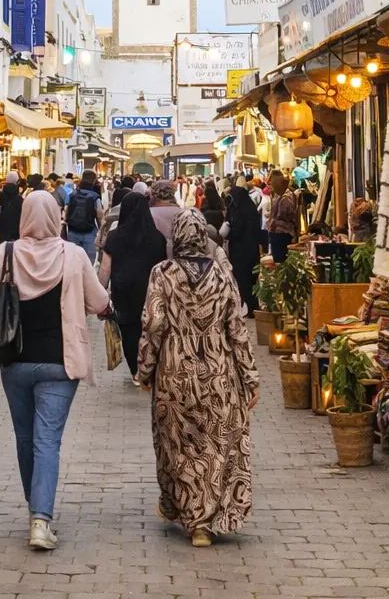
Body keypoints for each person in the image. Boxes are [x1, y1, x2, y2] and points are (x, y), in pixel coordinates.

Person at [0, 192, 111, 551]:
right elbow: (98, 303)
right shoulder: (74, 255)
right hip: (60, 364)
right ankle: (40, 521)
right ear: (56, 217)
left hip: (14, 363)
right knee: (47, 441)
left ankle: (35, 510)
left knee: (24, 439)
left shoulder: (7, 253)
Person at [136, 208, 259, 547]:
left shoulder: (162, 274)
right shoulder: (223, 276)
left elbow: (154, 324)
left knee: (177, 445)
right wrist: (250, 377)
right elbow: (237, 329)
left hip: (175, 371)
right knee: (215, 443)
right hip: (219, 370)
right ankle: (206, 519)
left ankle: (189, 513)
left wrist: (145, 368)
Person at [99, 191, 165, 377]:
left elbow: (105, 268)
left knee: (128, 329)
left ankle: (135, 370)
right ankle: (149, 367)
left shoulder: (114, 236)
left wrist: (100, 291)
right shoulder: (157, 237)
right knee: (149, 328)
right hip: (150, 290)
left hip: (123, 290)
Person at [223, 185, 262, 316]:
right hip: (253, 250)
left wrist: (228, 234)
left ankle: (250, 307)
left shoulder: (238, 211)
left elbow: (236, 231)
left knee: (242, 279)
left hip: (240, 251)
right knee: (252, 279)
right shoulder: (251, 209)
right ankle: (253, 306)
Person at [62, 170, 102, 263]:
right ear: (94, 180)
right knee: (88, 262)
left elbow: (66, 211)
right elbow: (99, 216)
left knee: (73, 261)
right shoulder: (95, 196)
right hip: (89, 232)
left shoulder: (72, 194)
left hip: (73, 231)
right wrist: (100, 231)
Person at [267, 171, 299, 264]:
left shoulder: (285, 200)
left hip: (281, 236)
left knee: (280, 261)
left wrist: (273, 222)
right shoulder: (280, 198)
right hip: (278, 235)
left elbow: (284, 218)